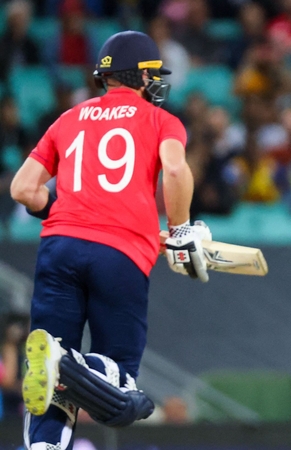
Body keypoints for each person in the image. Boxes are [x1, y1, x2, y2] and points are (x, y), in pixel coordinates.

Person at [9, 31, 212, 448]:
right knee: (124, 394)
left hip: (58, 248)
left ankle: (46, 439)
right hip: (119, 254)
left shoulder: (68, 118)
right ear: (139, 75)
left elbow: (23, 190)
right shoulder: (161, 120)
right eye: (152, 74)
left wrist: (66, 213)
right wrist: (181, 230)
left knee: (49, 382)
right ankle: (66, 363)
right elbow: (175, 171)